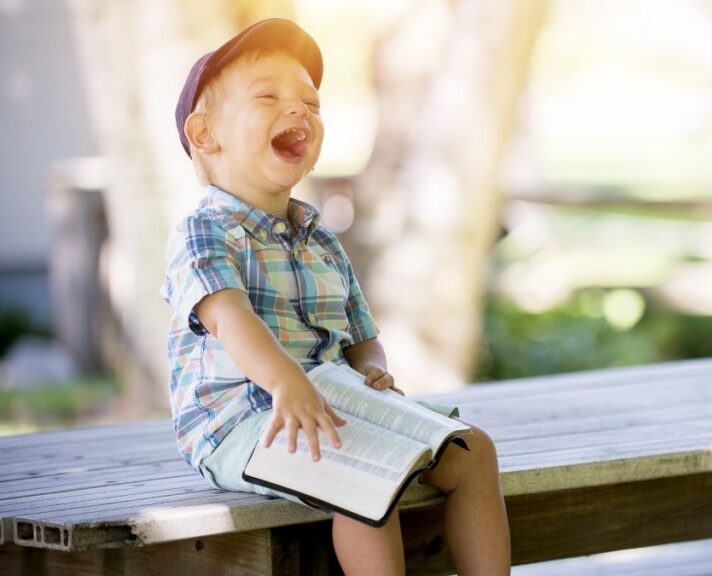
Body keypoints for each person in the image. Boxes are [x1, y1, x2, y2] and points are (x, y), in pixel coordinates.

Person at [161, 18, 510, 575]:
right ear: (205, 135)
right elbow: (229, 315)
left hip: (332, 399)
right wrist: (286, 381)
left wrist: (372, 370)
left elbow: (361, 335)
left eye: (311, 102)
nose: (299, 110)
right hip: (242, 422)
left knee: (473, 452)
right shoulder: (205, 232)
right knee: (366, 477)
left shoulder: (320, 237)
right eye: (269, 96)